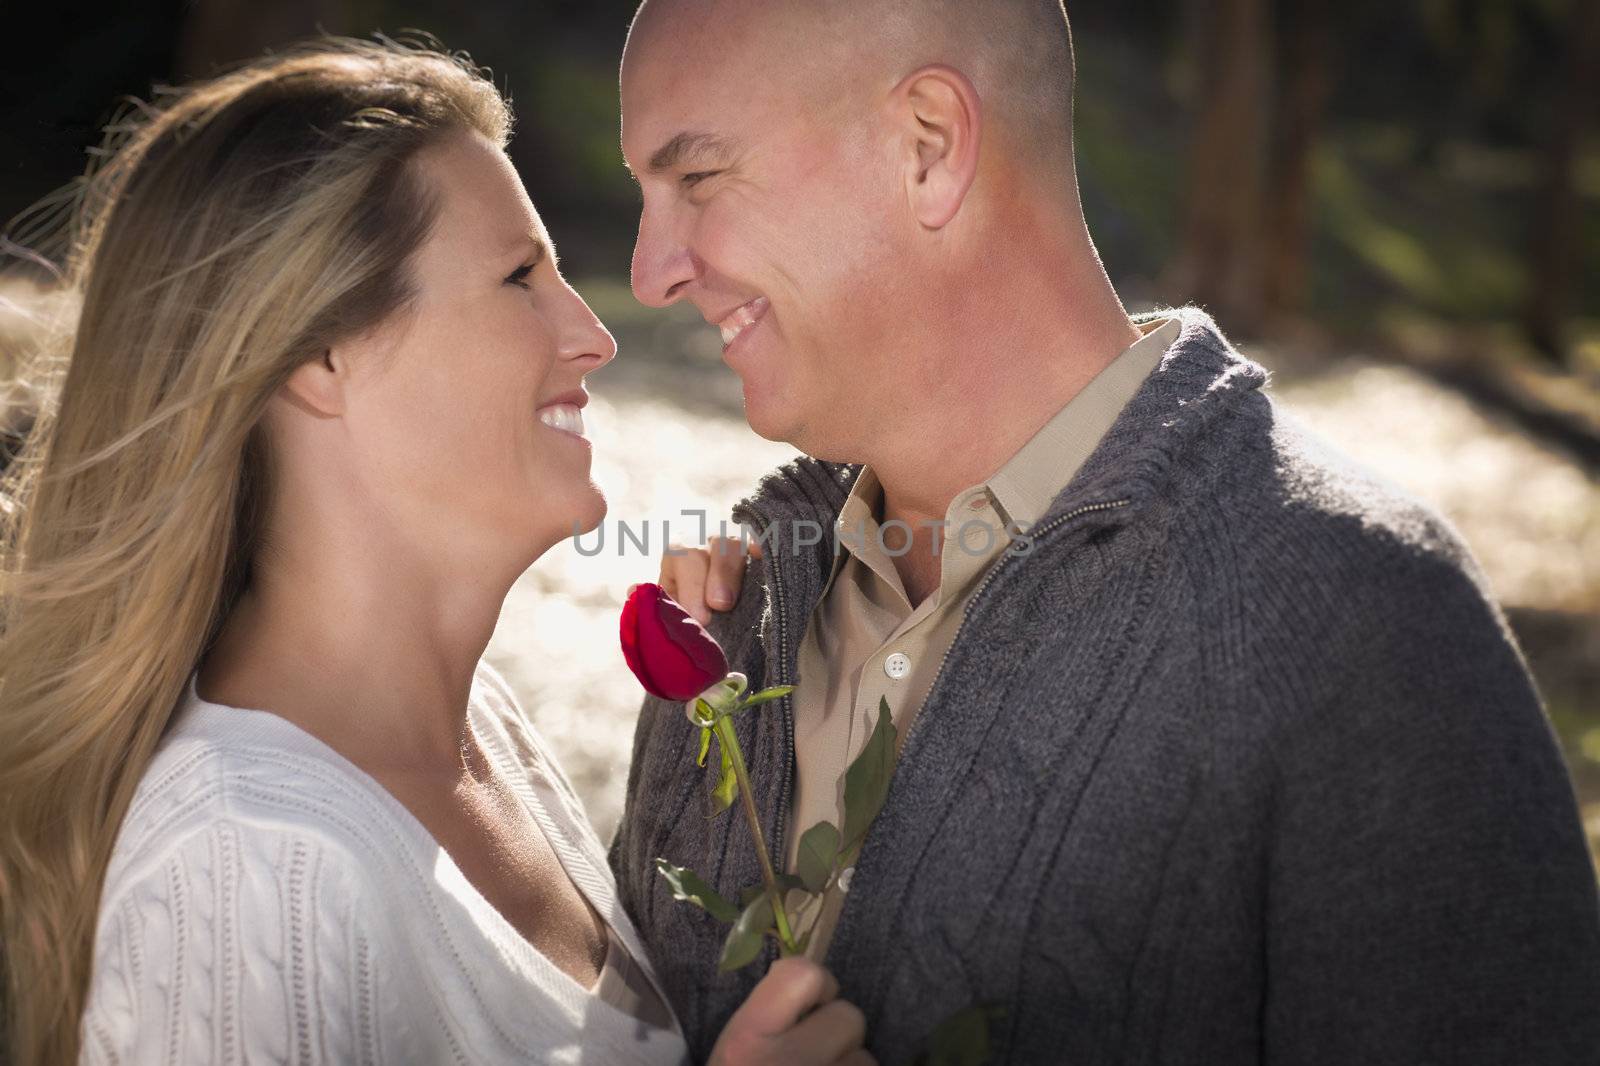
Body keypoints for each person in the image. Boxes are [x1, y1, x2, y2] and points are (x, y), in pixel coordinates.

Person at [608, 1, 1600, 1063]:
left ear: (927, 148)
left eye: (697, 178)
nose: (647, 270)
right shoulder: (731, 618)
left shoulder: (1361, 621)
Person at [0, 39, 873, 1066]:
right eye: (518, 277)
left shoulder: (483, 733)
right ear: (322, 355)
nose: (595, 334)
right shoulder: (245, 862)